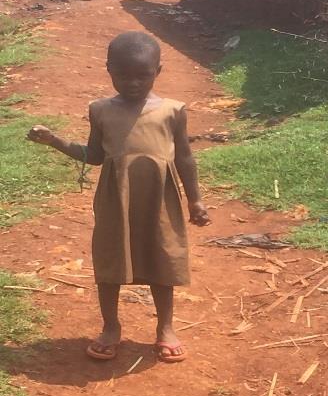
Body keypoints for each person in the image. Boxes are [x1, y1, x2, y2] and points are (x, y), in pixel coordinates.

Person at [27, 31, 210, 363]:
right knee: (111, 259)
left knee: (162, 257)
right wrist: (54, 141)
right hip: (116, 198)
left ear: (159, 70)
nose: (134, 82)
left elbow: (184, 157)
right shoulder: (100, 110)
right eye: (123, 75)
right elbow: (95, 155)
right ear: (108, 69)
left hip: (160, 199)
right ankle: (111, 327)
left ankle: (165, 328)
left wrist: (195, 199)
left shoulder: (172, 110)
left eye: (143, 74)